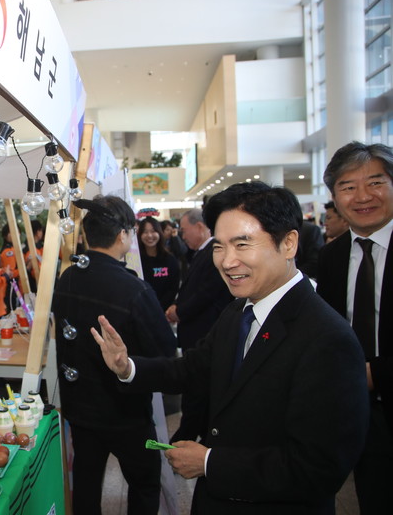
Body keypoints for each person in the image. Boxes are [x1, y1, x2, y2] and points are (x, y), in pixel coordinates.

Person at [91, 182, 368, 514]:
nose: (227, 261)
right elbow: (193, 368)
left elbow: (319, 468)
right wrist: (127, 367)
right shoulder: (239, 311)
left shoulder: (327, 338)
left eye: (242, 244)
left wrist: (210, 462)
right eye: (220, 247)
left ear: (288, 243)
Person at [52, 196, 176, 515]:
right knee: (144, 483)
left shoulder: (67, 278)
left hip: (80, 409)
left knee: (86, 484)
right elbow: (164, 354)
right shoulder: (133, 289)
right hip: (126, 413)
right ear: (123, 234)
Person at [316, 141, 393, 514]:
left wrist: (373, 374)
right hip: (358, 414)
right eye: (348, 187)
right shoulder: (331, 256)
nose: (362, 196)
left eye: (375, 182)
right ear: (334, 198)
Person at [166, 208, 233, 442]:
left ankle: (185, 439)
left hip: (204, 332)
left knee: (198, 391)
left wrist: (180, 311)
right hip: (195, 332)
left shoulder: (214, 252)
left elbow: (206, 293)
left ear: (200, 227)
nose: (182, 235)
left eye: (184, 230)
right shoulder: (202, 253)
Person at [137, 216, 180, 310]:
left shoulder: (170, 260)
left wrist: (159, 309)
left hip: (163, 310)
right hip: (141, 310)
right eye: (145, 232)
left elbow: (173, 288)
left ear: (159, 233)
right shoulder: (136, 260)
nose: (149, 235)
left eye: (153, 231)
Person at [0, 223, 21, 313]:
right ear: (6, 235)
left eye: (18, 232)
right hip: (11, 286)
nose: (17, 234)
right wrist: (23, 270)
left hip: (14, 285)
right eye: (12, 232)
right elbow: (11, 273)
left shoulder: (13, 248)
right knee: (14, 311)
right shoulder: (8, 251)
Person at [23, 219, 44, 292]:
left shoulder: (39, 246)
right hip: (34, 283)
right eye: (41, 231)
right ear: (37, 232)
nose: (42, 233)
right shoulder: (29, 248)